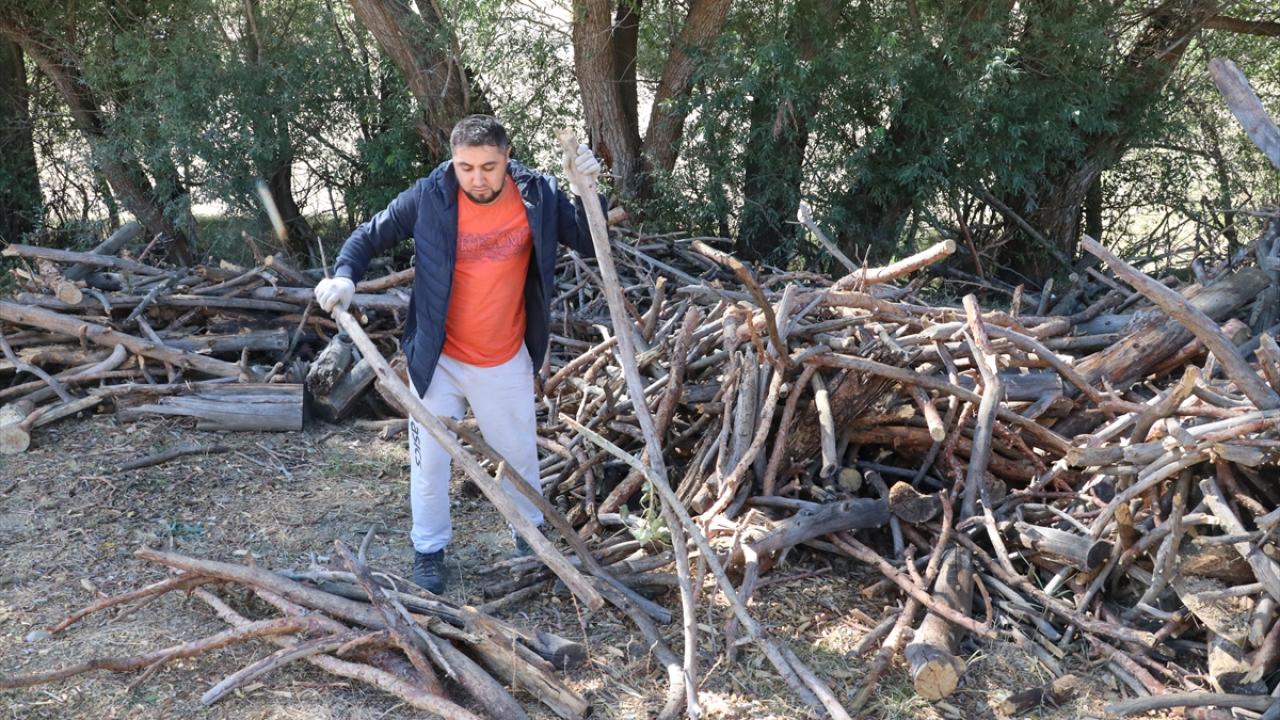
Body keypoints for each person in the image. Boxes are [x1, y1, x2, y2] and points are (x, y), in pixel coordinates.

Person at [313, 115, 603, 594]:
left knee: (518, 458)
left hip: (505, 355)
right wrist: (345, 275)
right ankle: (429, 551)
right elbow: (369, 234)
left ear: (507, 158)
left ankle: (528, 539)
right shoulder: (431, 195)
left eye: (488, 167)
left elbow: (591, 242)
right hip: (439, 358)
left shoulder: (538, 195)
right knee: (429, 462)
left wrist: (585, 191)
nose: (477, 179)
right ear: (453, 161)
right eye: (466, 167)